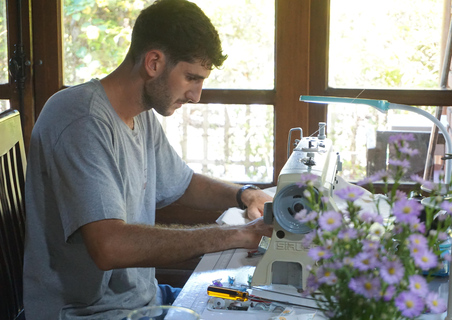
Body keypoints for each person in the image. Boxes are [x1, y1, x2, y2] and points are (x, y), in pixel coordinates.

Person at [23, 1, 273, 319]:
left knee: (257, 306)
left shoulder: (139, 116)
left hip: (143, 299)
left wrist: (245, 194)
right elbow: (109, 246)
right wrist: (233, 235)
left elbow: (183, 183)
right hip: (93, 314)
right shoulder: (81, 119)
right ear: (154, 62)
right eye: (191, 78)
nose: (197, 95)